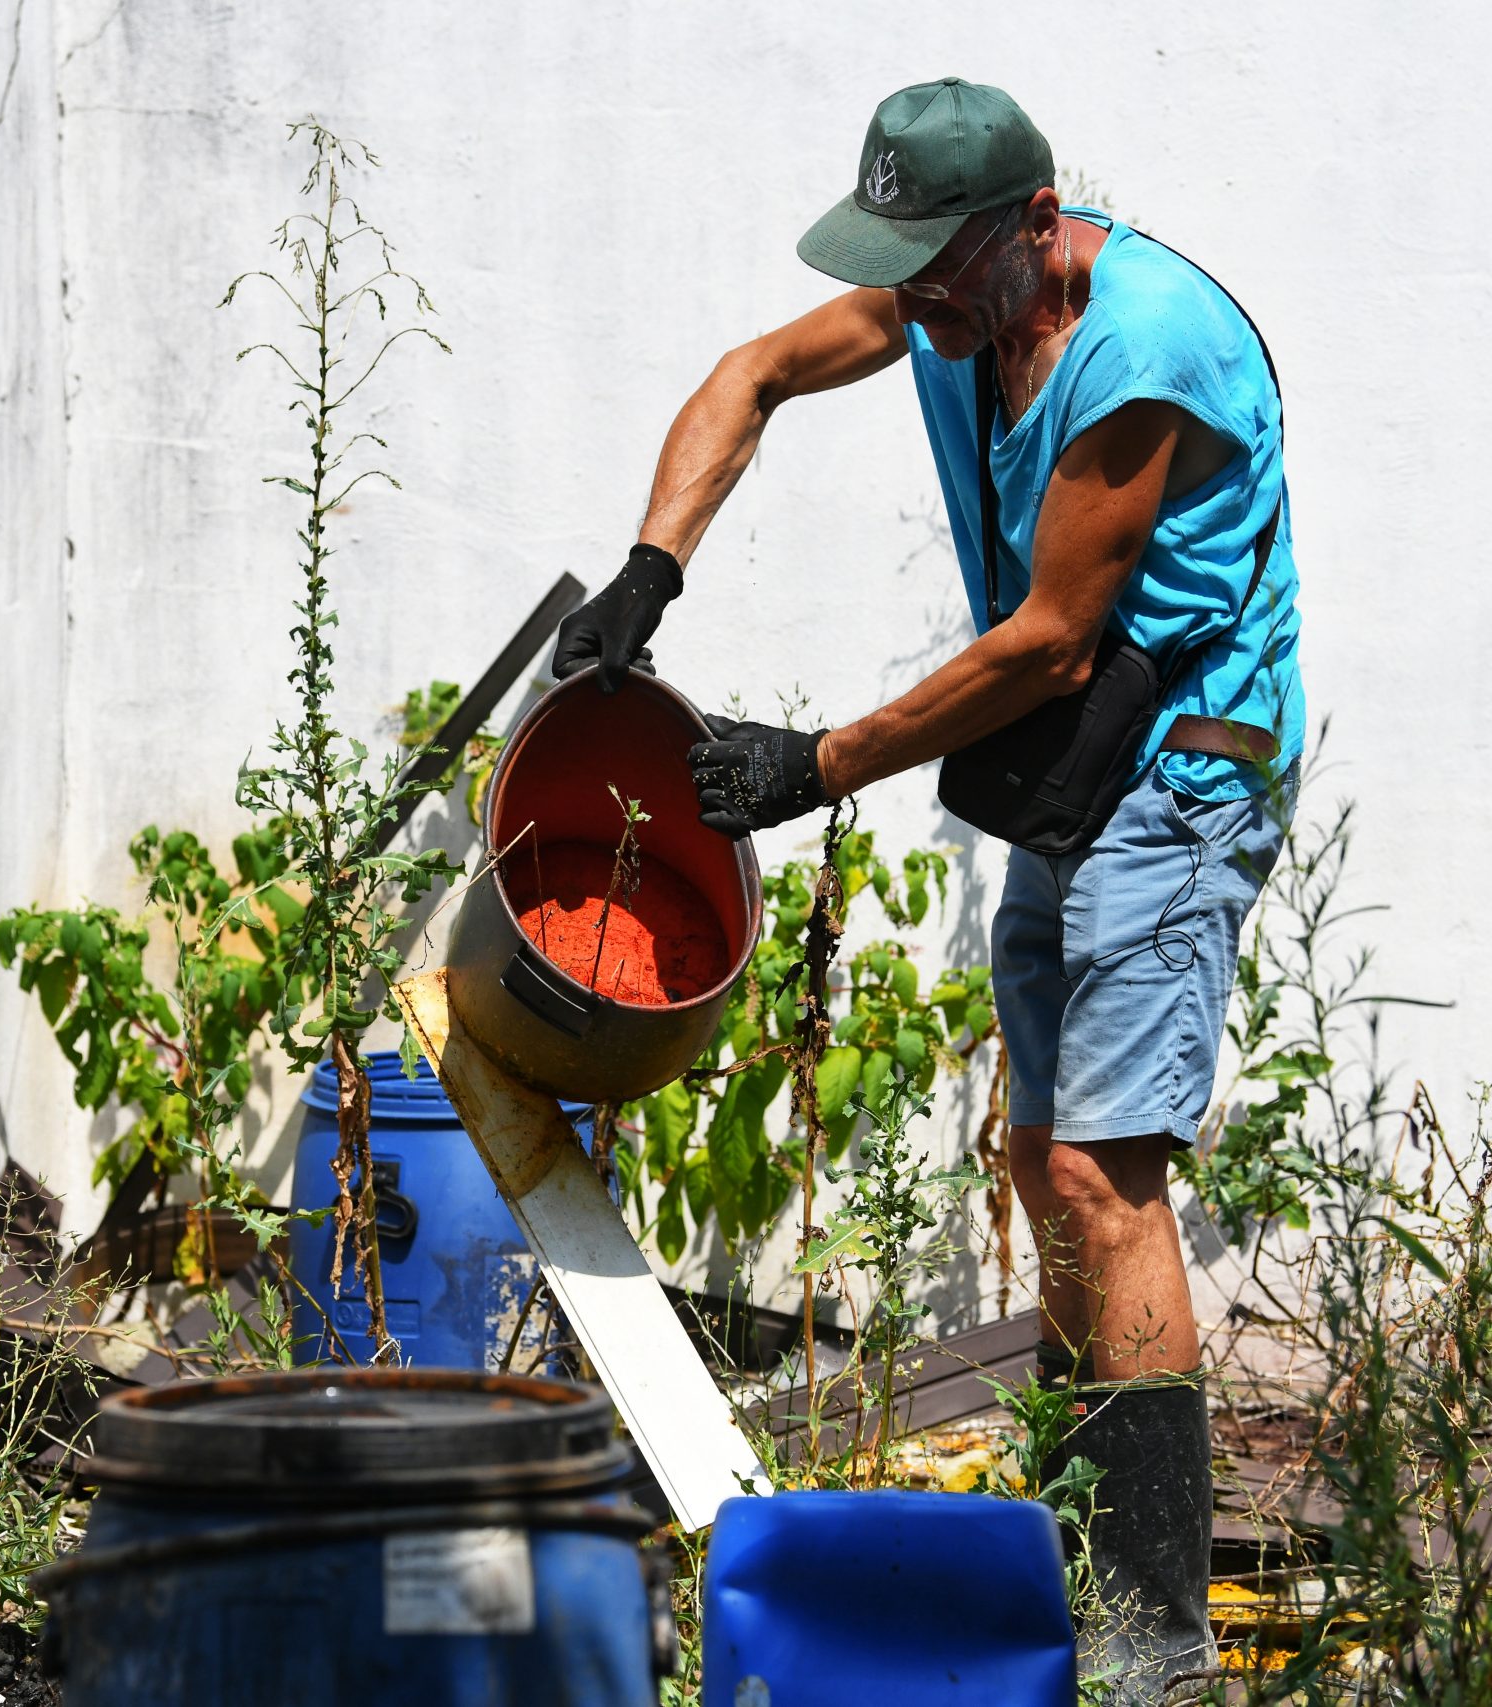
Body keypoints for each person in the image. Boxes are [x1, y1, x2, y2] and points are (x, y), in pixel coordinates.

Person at [551, 77, 1302, 1698]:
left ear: (1038, 226)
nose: (923, 301)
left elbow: (1051, 640)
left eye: (946, 265)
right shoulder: (954, 298)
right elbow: (751, 376)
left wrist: (812, 764)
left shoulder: (1132, 358)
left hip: (1180, 761)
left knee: (1105, 1174)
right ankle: (1086, 1555)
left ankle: (1152, 1648)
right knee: (1040, 1157)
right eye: (905, 267)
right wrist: (649, 568)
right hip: (1076, 757)